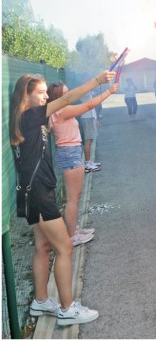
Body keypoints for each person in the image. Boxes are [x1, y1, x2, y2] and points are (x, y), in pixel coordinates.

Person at [10, 70, 113, 326]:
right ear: (27, 96)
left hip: (36, 192)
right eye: (41, 93)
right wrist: (98, 81)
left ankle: (41, 301)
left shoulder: (29, 119)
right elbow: (67, 101)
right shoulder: (30, 116)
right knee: (65, 247)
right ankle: (67, 309)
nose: (46, 97)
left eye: (47, 92)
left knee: (43, 247)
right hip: (39, 195)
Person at [47, 81, 118, 245]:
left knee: (75, 196)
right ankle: (72, 235)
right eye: (65, 93)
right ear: (57, 97)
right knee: (73, 198)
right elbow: (87, 106)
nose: (69, 95)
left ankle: (74, 229)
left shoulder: (57, 110)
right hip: (69, 153)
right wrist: (108, 92)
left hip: (71, 152)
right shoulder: (60, 110)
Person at [78, 92, 101, 173]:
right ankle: (87, 164)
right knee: (88, 141)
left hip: (90, 117)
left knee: (90, 141)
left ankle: (90, 162)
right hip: (88, 117)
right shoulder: (85, 91)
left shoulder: (88, 91)